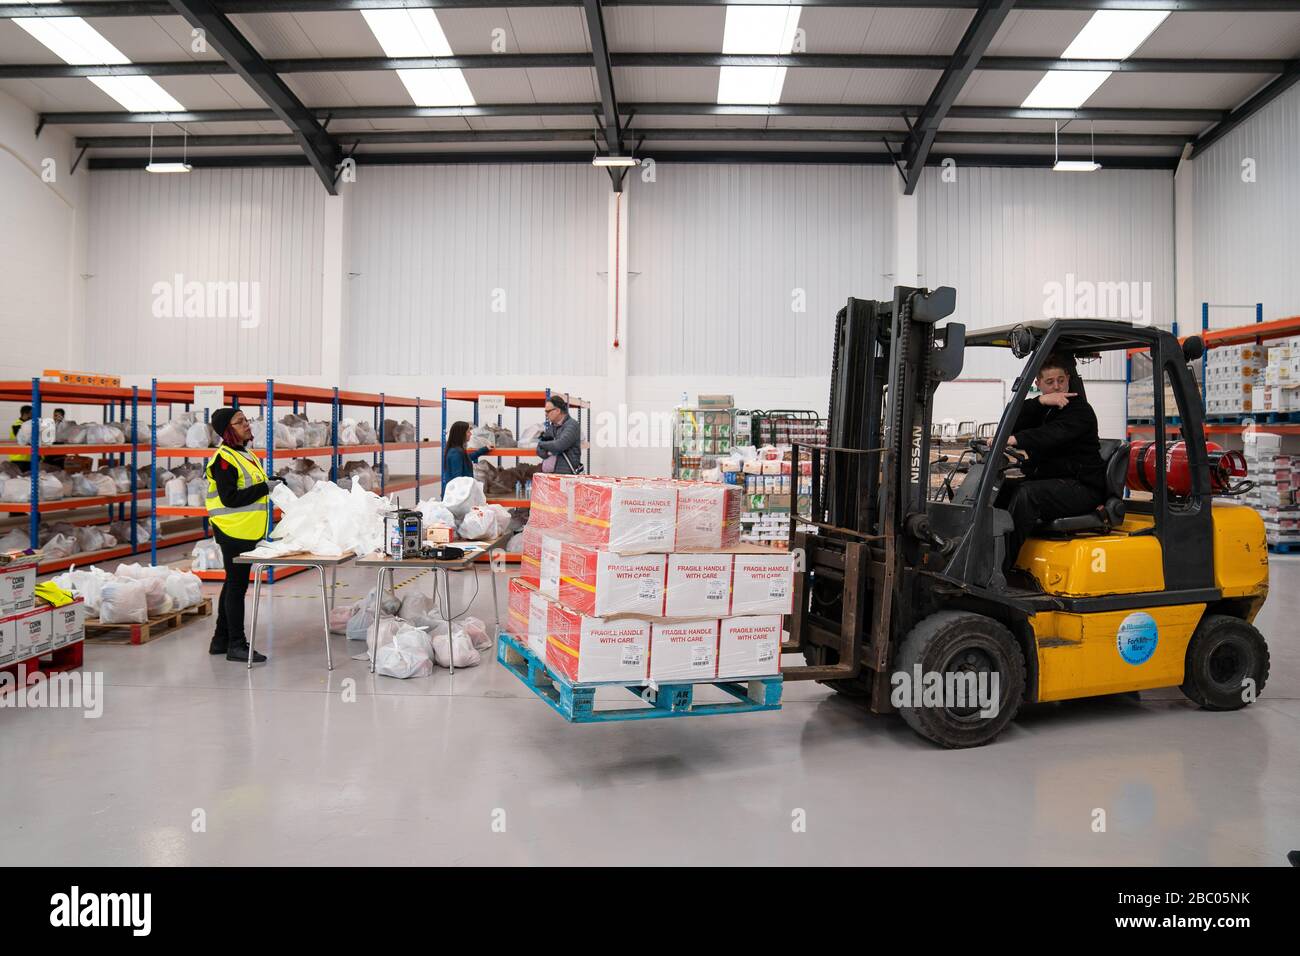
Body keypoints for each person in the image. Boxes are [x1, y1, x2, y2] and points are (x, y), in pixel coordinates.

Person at [994, 353, 1106, 572]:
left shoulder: (1079, 410)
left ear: (1068, 379)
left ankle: (999, 568)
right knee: (997, 489)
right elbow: (1009, 420)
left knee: (1028, 495)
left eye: (1061, 381)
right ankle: (981, 553)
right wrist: (1039, 401)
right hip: (1053, 481)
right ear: (1038, 384)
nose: (1057, 387)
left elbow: (1053, 434)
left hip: (1082, 486)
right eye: (1049, 382)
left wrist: (1016, 439)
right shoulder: (1043, 408)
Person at [204, 407, 280, 663]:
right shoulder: (223, 459)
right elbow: (230, 498)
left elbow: (252, 487)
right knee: (237, 587)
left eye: (245, 420)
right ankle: (236, 644)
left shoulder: (244, 454)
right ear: (228, 430)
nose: (247, 424)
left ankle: (220, 640)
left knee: (232, 583)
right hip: (233, 530)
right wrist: (263, 488)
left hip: (245, 530)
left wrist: (269, 483)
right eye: (239, 422)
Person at [537, 395, 583, 474]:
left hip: (566, 477)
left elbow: (559, 445)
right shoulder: (552, 427)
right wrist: (549, 451)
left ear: (558, 410)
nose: (546, 414)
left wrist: (541, 444)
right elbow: (539, 450)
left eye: (548, 411)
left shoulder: (572, 425)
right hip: (552, 476)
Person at [8, 405, 32, 473]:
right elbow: (24, 439)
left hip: (28, 459)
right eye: (32, 414)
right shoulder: (17, 425)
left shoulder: (27, 425)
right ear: (25, 414)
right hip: (18, 460)